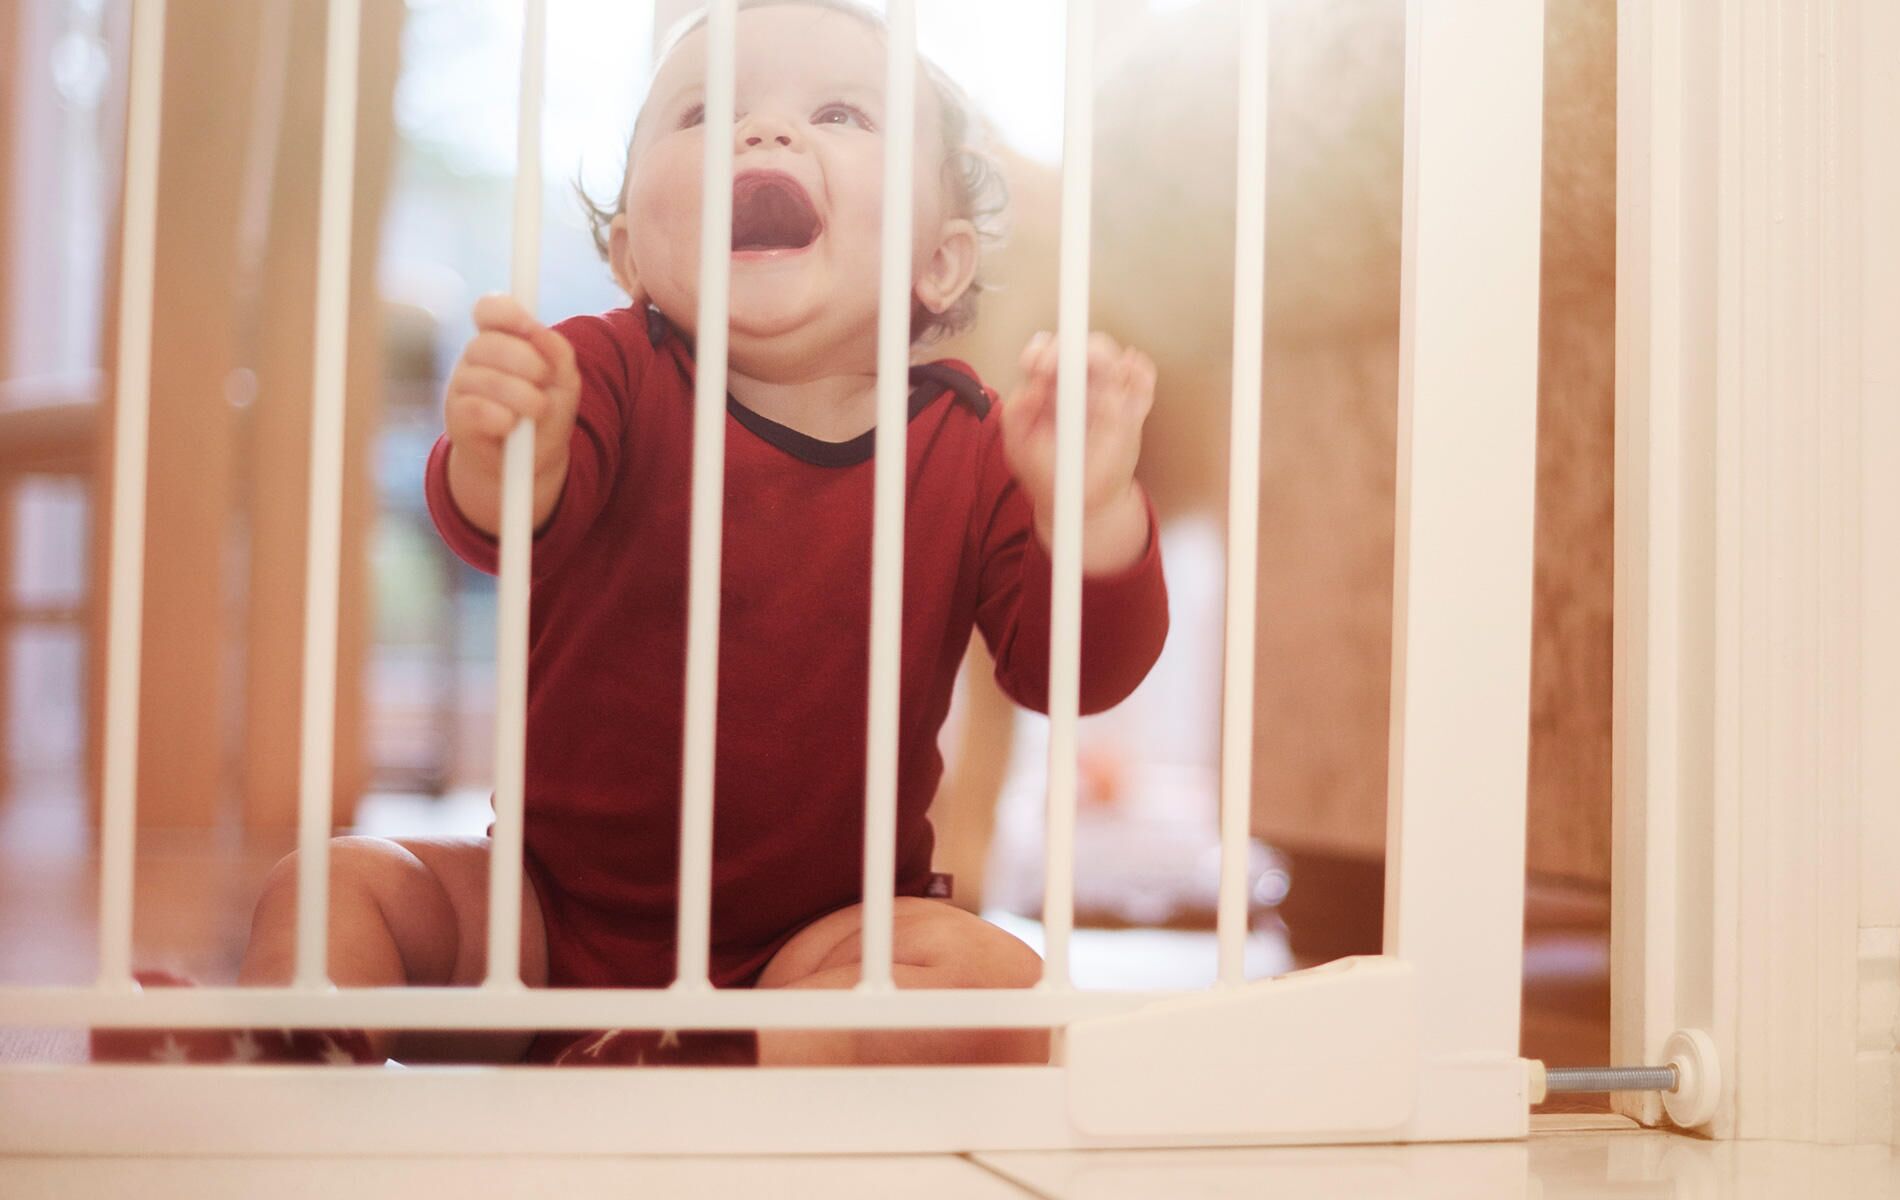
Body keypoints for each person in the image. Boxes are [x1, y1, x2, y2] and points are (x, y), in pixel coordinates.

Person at [96, 0, 1167, 1069]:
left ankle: (706, 1061)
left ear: (939, 262)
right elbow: (504, 521)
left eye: (840, 112)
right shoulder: (605, 369)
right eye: (707, 112)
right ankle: (282, 1040)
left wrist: (1090, 512)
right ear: (629, 256)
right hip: (539, 932)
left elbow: (1070, 675)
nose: (766, 133)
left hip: (813, 950)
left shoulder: (973, 443)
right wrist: (510, 443)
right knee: (341, 883)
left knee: (1000, 990)